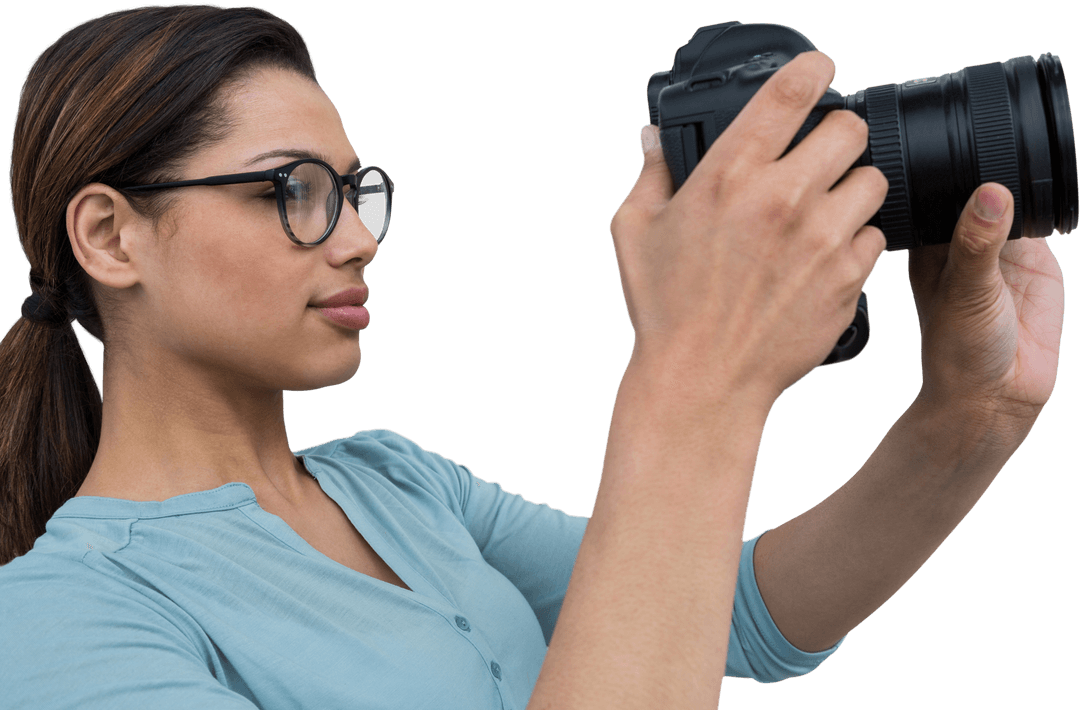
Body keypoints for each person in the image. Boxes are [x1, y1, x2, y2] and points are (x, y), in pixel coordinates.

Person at [0, 5, 1063, 710]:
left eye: (358, 191)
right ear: (110, 236)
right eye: (294, 191)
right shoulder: (61, 625)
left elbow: (726, 609)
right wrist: (694, 375)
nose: (361, 236)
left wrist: (969, 414)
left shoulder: (398, 482)